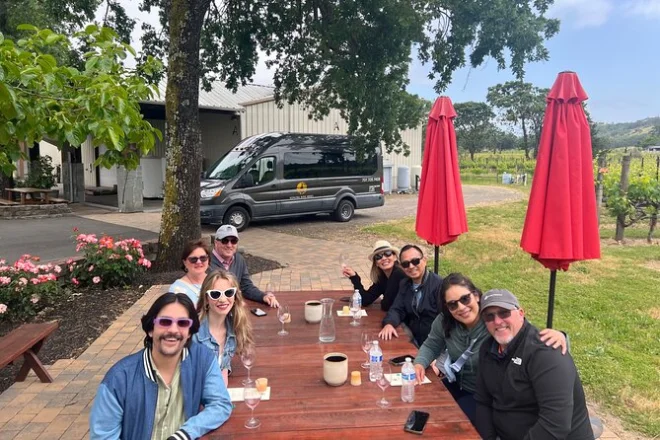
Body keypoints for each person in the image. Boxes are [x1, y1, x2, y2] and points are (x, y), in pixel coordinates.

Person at [414, 274, 567, 425]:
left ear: (476, 296)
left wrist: (559, 335)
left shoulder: (492, 320)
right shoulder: (445, 321)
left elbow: (522, 333)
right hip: (458, 383)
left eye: (465, 299)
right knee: (424, 403)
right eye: (453, 304)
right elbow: (431, 345)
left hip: (488, 397)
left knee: (451, 420)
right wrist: (419, 363)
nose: (461, 307)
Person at [89, 293, 232, 440]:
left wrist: (185, 433)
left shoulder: (203, 360)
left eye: (182, 323)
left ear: (189, 332)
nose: (173, 330)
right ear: (150, 329)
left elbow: (220, 404)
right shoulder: (119, 379)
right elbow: (103, 436)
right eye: (165, 322)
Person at [474, 289, 593, 440]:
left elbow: (555, 425)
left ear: (521, 313)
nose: (497, 321)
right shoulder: (487, 348)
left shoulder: (546, 353)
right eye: (489, 316)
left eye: (504, 313)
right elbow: (483, 401)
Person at [194, 269, 254, 386]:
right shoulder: (192, 333)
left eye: (228, 293)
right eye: (215, 294)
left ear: (235, 297)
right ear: (206, 299)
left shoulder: (235, 327)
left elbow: (224, 367)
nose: (222, 299)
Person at [378, 244, 442, 347]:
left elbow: (447, 322)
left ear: (424, 260)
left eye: (415, 261)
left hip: (436, 345)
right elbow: (397, 309)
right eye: (405, 264)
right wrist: (389, 324)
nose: (411, 266)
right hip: (414, 341)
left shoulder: (439, 285)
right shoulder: (405, 284)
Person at [210, 225, 279, 308]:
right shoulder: (205, 263)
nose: (229, 245)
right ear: (216, 243)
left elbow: (246, 287)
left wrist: (263, 297)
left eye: (233, 241)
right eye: (225, 241)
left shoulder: (239, 259)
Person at [342, 240, 406, 311]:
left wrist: (383, 302)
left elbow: (387, 305)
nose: (384, 258)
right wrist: (354, 277)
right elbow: (365, 300)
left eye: (388, 253)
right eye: (378, 256)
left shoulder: (399, 273)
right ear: (376, 263)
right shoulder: (382, 278)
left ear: (395, 257)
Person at [169, 239, 211, 304]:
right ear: (184, 262)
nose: (199, 262)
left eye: (203, 258)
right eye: (193, 259)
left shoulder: (217, 282)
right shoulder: (177, 289)